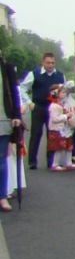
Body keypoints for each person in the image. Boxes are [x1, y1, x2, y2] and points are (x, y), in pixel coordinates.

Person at [27, 52, 65, 170]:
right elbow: (22, 89)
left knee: (52, 135)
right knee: (36, 134)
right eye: (48, 63)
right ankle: (32, 161)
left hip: (53, 108)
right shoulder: (34, 74)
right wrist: (29, 103)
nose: (50, 65)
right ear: (43, 62)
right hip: (38, 107)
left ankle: (51, 161)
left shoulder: (60, 75)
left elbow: (64, 92)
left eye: (53, 63)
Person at [1, 54, 23, 211]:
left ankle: (2, 196)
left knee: (1, 162)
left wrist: (16, 115)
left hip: (2, 119)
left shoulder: (6, 67)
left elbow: (14, 93)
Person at [46, 84, 75, 172]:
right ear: (56, 94)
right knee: (59, 148)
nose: (64, 94)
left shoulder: (61, 104)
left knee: (69, 146)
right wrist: (65, 116)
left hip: (65, 129)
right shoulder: (53, 106)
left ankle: (68, 162)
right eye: (63, 92)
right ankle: (55, 164)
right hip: (57, 129)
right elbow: (54, 119)